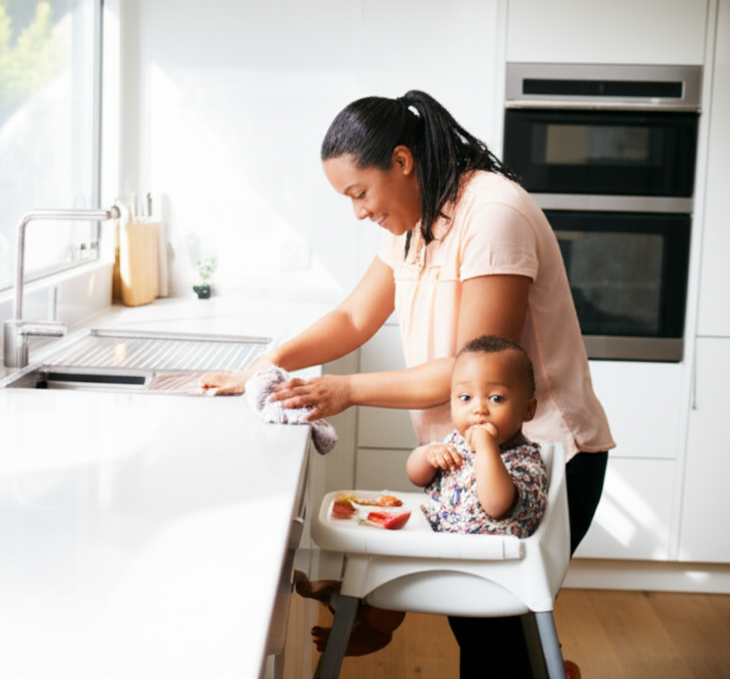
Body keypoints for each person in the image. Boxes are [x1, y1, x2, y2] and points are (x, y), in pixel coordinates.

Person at [201, 89, 613, 678]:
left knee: (489, 636)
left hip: (541, 459)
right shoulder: (413, 224)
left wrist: (346, 390)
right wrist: (270, 362)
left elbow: (470, 373)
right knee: (488, 633)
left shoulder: (493, 215)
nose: (359, 212)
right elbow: (352, 318)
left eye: (359, 193)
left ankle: (389, 614)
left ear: (401, 161)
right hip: (476, 457)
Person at [407, 335, 546, 539]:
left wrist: (485, 447)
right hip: (439, 548)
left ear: (528, 410)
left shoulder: (526, 462)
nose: (478, 409)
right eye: (465, 398)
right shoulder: (456, 443)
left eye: (496, 398)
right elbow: (416, 477)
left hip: (490, 562)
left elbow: (496, 505)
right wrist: (427, 455)